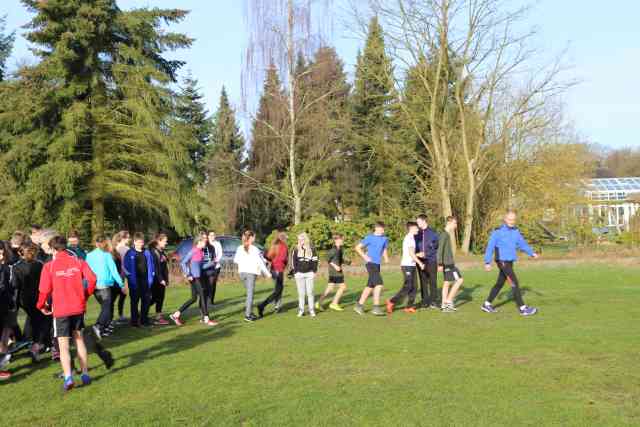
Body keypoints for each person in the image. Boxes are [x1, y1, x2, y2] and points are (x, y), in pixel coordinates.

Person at [36, 235, 97, 391]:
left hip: (61, 310)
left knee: (63, 346)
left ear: (53, 249)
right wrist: (86, 294)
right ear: (66, 246)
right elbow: (92, 279)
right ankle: (84, 374)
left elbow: (44, 290)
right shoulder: (79, 262)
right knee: (79, 339)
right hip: (77, 307)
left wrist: (41, 305)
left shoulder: (49, 266)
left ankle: (69, 377)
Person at [481, 210, 539, 316]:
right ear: (505, 219)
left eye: (513, 220)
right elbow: (490, 247)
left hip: (510, 261)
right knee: (514, 283)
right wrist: (487, 262)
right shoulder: (497, 232)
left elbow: (522, 244)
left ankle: (486, 304)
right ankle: (523, 308)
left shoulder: (516, 231)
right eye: (509, 219)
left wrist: (531, 253)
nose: (511, 221)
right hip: (502, 261)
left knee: (500, 283)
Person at [11, 243, 50, 362]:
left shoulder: (16, 267)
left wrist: (16, 303)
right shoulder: (39, 265)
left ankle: (30, 341)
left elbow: (15, 285)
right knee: (43, 321)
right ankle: (37, 344)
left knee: (33, 320)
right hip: (37, 297)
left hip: (25, 299)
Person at [169, 234, 217, 327]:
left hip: (197, 277)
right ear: (199, 242)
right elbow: (183, 262)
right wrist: (188, 274)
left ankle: (175, 315)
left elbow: (201, 267)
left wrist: (212, 263)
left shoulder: (201, 252)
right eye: (203, 241)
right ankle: (206, 319)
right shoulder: (194, 250)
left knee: (194, 298)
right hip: (195, 278)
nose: (205, 242)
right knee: (203, 296)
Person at [86, 236, 126, 338]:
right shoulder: (107, 255)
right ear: (104, 244)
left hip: (94, 286)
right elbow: (114, 271)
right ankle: (98, 325)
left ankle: (102, 329)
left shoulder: (89, 255)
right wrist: (121, 284)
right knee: (107, 308)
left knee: (105, 308)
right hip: (104, 285)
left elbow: (86, 271)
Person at [386, 222, 424, 314]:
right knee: (408, 286)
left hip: (412, 265)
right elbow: (411, 254)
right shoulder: (409, 238)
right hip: (407, 266)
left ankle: (409, 306)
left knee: (415, 287)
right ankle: (391, 301)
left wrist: (417, 255)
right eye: (416, 228)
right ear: (411, 228)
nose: (418, 230)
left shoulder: (412, 238)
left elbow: (411, 253)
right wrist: (420, 262)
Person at [234, 231, 270, 323]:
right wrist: (267, 274)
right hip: (251, 273)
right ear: (251, 238)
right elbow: (260, 263)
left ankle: (250, 312)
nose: (255, 238)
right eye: (254, 237)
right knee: (250, 295)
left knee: (249, 294)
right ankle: (247, 315)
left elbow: (236, 261)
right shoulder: (254, 248)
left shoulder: (239, 248)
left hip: (242, 273)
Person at [354, 222, 389, 316]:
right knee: (379, 284)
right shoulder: (369, 237)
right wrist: (365, 256)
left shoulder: (385, 239)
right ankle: (376, 307)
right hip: (370, 263)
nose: (383, 231)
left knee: (370, 286)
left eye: (384, 229)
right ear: (376, 228)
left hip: (377, 264)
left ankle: (359, 306)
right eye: (381, 229)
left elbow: (384, 249)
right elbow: (357, 248)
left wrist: (386, 258)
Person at [123, 233, 155, 327]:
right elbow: (125, 267)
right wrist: (130, 278)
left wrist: (151, 278)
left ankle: (144, 320)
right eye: (139, 242)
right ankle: (134, 321)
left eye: (142, 242)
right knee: (134, 302)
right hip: (134, 282)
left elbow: (151, 266)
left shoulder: (147, 252)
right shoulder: (130, 253)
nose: (141, 244)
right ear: (134, 242)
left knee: (146, 301)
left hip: (146, 281)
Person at [257, 231, 288, 317]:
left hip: (273, 269)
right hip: (279, 270)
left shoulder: (274, 245)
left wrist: (274, 260)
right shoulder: (283, 246)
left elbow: (268, 257)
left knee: (278, 290)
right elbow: (284, 259)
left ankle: (277, 307)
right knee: (278, 291)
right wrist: (285, 263)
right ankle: (262, 305)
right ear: (283, 238)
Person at [438, 217, 464, 312]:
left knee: (447, 283)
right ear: (449, 223)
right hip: (447, 264)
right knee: (459, 280)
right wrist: (440, 264)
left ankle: (444, 305)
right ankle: (448, 301)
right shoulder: (444, 235)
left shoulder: (446, 234)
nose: (456, 226)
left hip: (448, 263)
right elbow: (440, 250)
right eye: (455, 223)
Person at [316, 233, 347, 312]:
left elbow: (338, 259)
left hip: (336, 272)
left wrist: (347, 262)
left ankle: (318, 303)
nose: (343, 240)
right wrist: (335, 266)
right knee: (343, 287)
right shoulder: (333, 250)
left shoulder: (340, 249)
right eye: (342, 239)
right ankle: (334, 303)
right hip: (335, 272)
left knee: (329, 288)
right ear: (337, 240)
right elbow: (327, 259)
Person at [291, 233, 319, 318]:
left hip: (309, 273)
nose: (300, 241)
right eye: (299, 239)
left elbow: (315, 260)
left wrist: (314, 271)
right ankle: (301, 310)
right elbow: (293, 261)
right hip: (299, 274)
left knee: (310, 293)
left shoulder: (312, 249)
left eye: (302, 239)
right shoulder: (295, 249)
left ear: (306, 239)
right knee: (301, 294)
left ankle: (311, 310)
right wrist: (295, 272)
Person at [415, 214, 439, 309]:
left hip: (431, 260)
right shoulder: (417, 233)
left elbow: (435, 245)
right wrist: (417, 254)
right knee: (423, 281)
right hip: (420, 261)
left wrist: (426, 253)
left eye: (418, 222)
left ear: (424, 221)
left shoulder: (432, 233)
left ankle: (433, 301)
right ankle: (425, 301)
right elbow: (414, 246)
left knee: (433, 281)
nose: (417, 224)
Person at [149, 233, 170, 325]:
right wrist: (161, 279)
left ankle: (158, 316)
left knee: (160, 298)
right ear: (158, 241)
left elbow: (164, 265)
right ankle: (142, 313)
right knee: (155, 298)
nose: (166, 243)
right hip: (156, 280)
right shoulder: (153, 252)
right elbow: (155, 268)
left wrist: (166, 279)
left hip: (162, 279)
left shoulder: (161, 251)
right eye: (165, 241)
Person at [111, 231, 130, 324]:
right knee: (118, 295)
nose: (129, 239)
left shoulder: (118, 248)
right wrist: (127, 273)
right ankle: (116, 316)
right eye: (127, 238)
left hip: (120, 275)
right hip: (120, 275)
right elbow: (123, 264)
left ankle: (119, 316)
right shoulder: (123, 248)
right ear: (123, 238)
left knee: (121, 295)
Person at [204, 231, 223, 306]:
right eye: (211, 235)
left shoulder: (217, 243)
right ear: (208, 236)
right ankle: (205, 299)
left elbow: (220, 253)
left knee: (212, 284)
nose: (213, 236)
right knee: (207, 284)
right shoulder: (205, 243)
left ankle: (210, 300)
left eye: (214, 235)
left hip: (216, 267)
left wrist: (216, 261)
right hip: (206, 267)